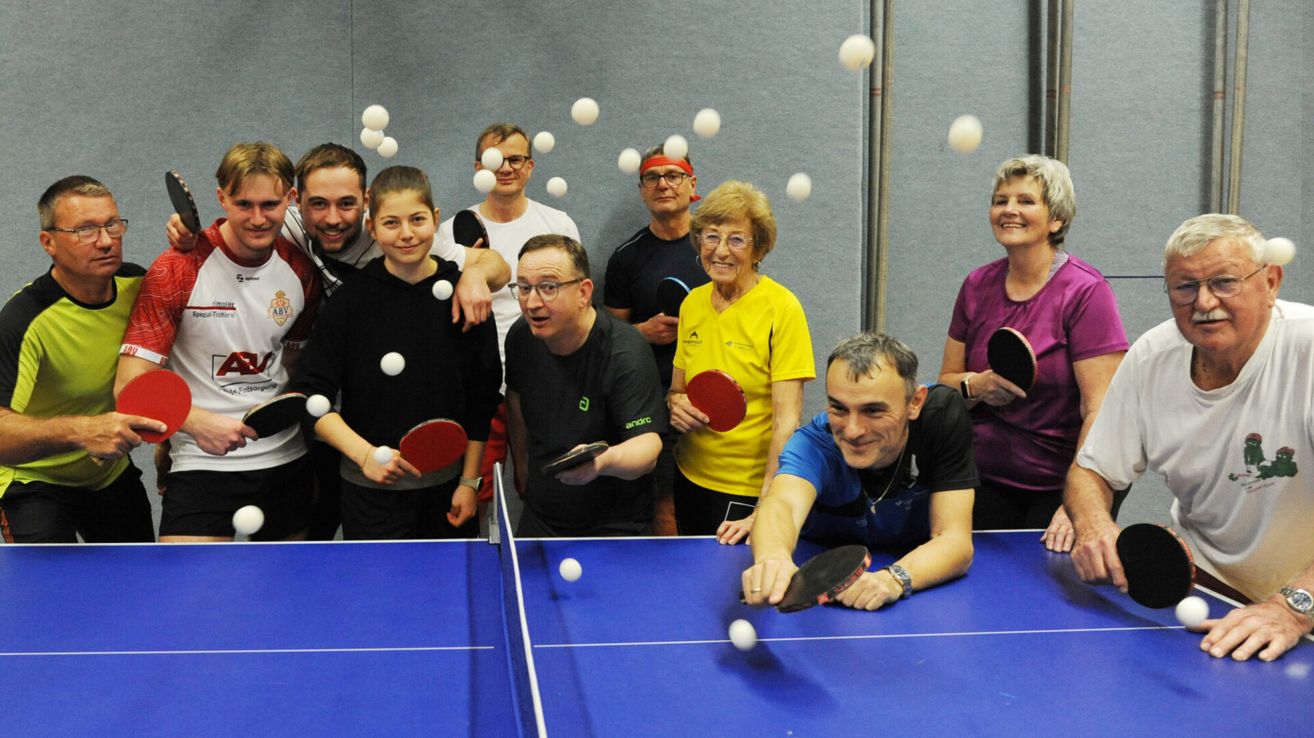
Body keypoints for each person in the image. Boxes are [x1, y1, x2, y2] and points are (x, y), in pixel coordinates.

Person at [168, 143, 510, 539]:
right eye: (319, 204)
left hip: (440, 481)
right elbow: (311, 392)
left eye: (346, 203)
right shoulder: (294, 237)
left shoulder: (451, 281)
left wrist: (475, 277)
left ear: (364, 207)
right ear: (297, 203)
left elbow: (482, 386)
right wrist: (188, 235)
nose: (332, 218)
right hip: (350, 450)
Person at [1066, 213, 1314, 661]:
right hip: (1210, 592)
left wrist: (1294, 607)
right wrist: (1094, 524)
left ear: (1271, 282)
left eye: (1224, 282)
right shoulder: (1151, 358)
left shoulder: (1308, 349)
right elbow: (1090, 471)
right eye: (1184, 287)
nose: (1204, 302)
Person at [118, 142, 320, 542]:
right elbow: (128, 386)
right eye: (244, 204)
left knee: (289, 583)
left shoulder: (300, 271)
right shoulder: (176, 269)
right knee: (187, 581)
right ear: (221, 198)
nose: (258, 218)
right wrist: (193, 423)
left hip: (285, 462)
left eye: (270, 204)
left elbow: (293, 367)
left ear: (291, 198)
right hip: (201, 464)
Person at [288, 166, 501, 539]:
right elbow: (310, 395)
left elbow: (481, 398)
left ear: (435, 219)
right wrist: (365, 456)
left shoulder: (466, 296)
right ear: (372, 228)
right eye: (391, 223)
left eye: (417, 219)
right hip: (368, 494)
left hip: (448, 491)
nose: (406, 234)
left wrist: (469, 482)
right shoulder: (350, 302)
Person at [937, 155, 1126, 547]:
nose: (1009, 210)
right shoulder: (976, 286)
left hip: (1058, 484)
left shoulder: (1086, 292)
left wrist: (1081, 502)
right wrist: (977, 386)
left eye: (1025, 201)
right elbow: (946, 386)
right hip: (984, 478)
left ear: (1056, 219)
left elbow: (1102, 409)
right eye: (1001, 200)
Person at [742, 333, 976, 610]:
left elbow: (954, 539)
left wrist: (894, 579)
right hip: (819, 559)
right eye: (839, 408)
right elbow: (781, 504)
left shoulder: (940, 417)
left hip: (915, 565)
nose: (852, 431)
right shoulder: (815, 444)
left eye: (873, 411)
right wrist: (772, 558)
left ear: (914, 402)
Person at [0, 176, 164, 543]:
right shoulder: (24, 320)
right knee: (46, 579)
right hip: (34, 478)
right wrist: (82, 431)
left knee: (137, 574)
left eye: (112, 225)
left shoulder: (137, 286)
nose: (105, 241)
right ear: (48, 242)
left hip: (106, 473)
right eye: (85, 230)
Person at [434, 123, 580, 509]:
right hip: (483, 385)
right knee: (476, 494)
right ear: (477, 168)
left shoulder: (559, 225)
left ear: (530, 167)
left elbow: (576, 304)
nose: (505, 168)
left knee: (550, 483)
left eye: (515, 159)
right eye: (494, 159)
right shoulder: (448, 233)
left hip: (547, 378)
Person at [666, 180, 815, 537]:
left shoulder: (783, 308)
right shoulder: (692, 303)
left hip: (746, 490)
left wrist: (768, 503)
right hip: (689, 476)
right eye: (711, 236)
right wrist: (676, 405)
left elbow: (787, 421)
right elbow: (676, 390)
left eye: (736, 239)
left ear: (758, 248)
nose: (720, 250)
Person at [504, 234, 665, 536]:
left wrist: (602, 462)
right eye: (524, 288)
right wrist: (522, 465)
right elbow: (515, 398)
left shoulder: (625, 350)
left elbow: (648, 448)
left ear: (583, 292)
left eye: (548, 287)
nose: (532, 302)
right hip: (542, 513)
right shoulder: (521, 337)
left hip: (615, 522)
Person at [603, 144, 710, 535]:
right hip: (654, 404)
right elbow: (608, 341)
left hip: (714, 401)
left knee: (714, 514)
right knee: (665, 514)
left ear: (692, 185)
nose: (663, 184)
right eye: (652, 177)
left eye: (673, 175)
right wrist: (642, 333)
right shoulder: (625, 258)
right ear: (642, 189)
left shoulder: (716, 250)